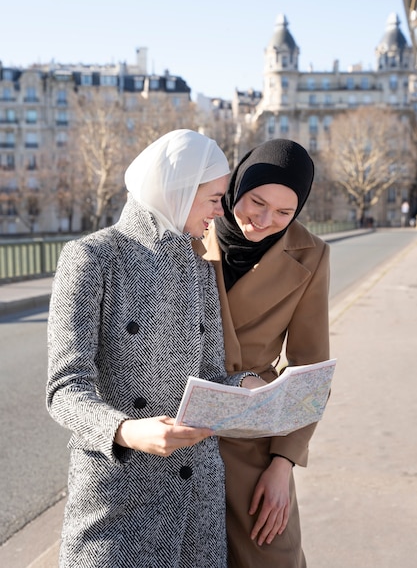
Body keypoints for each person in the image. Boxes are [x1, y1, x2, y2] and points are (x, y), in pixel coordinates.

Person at [46, 129, 260, 568]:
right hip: (120, 497)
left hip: (195, 499)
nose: (221, 213)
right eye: (214, 198)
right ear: (179, 191)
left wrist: (250, 387)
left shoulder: (199, 267)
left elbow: (211, 377)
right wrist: (126, 431)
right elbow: (64, 390)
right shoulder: (91, 257)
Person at [199, 138, 330, 568]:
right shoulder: (190, 230)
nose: (265, 219)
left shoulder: (311, 254)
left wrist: (283, 462)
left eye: (284, 212)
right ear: (238, 185)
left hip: (254, 436)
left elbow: (310, 368)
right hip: (180, 428)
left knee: (273, 554)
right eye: (256, 201)